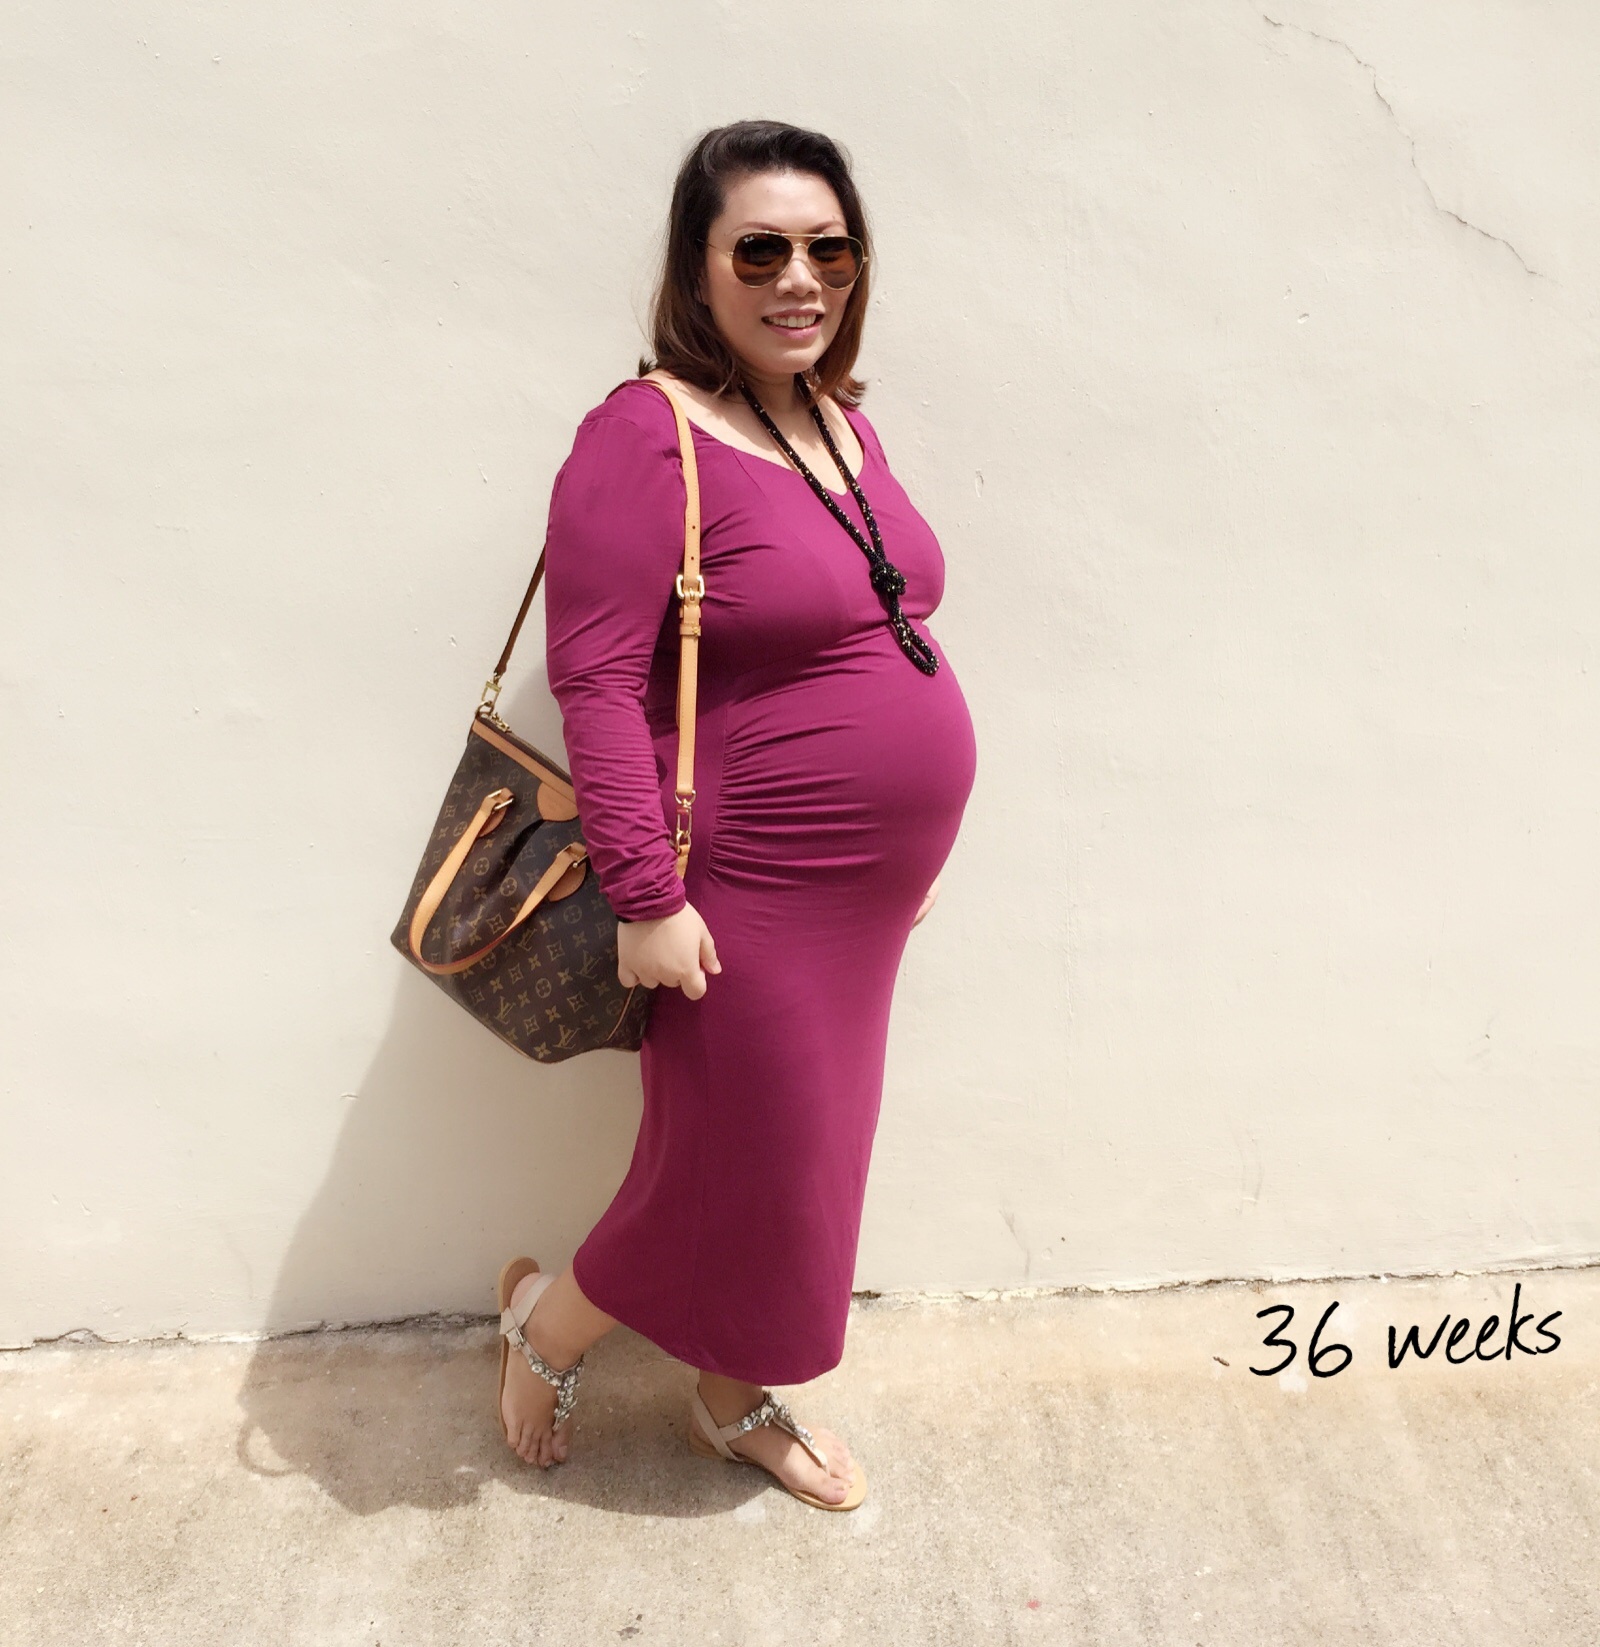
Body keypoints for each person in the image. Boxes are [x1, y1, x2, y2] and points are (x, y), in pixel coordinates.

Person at [494, 119, 978, 1512]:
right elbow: (595, 679)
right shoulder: (643, 434)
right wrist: (645, 898)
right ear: (696, 268)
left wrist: (905, 857)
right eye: (759, 250)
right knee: (732, 1165)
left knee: (804, 1161)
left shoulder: (835, 421)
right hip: (739, 884)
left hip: (857, 899)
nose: (799, 278)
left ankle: (728, 1393)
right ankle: (546, 1329)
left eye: (830, 248)